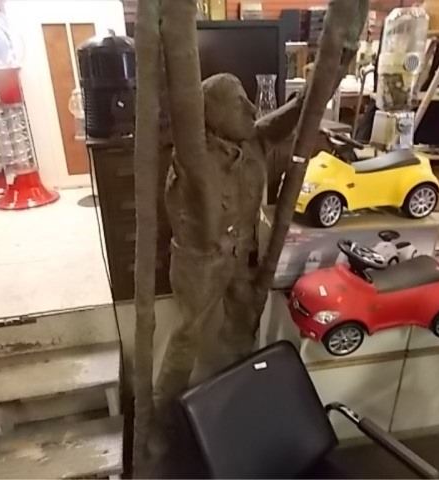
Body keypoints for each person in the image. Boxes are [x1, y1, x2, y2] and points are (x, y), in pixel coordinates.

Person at [153, 73, 304, 428]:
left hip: (240, 255)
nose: (250, 108)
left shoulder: (251, 142)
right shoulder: (192, 157)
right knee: (187, 333)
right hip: (201, 263)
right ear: (213, 113)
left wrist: (305, 98)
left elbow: (277, 122)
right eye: (238, 102)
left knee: (243, 320)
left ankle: (235, 392)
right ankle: (163, 417)